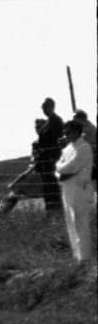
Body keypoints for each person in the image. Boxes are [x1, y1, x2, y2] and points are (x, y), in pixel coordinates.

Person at [55, 119, 95, 265]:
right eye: (65, 132)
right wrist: (61, 171)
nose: (67, 134)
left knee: (81, 223)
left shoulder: (84, 147)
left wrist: (62, 169)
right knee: (71, 224)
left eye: (69, 131)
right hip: (67, 189)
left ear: (77, 132)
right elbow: (58, 166)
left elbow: (72, 166)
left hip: (80, 189)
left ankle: (85, 257)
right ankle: (78, 257)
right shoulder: (66, 149)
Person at [36, 98, 65, 211]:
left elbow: (58, 140)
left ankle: (56, 207)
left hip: (52, 157)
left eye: (46, 107)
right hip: (45, 158)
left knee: (52, 184)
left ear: (52, 107)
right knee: (47, 185)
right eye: (43, 108)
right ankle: (50, 207)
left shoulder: (57, 121)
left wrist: (54, 156)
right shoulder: (48, 122)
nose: (44, 110)